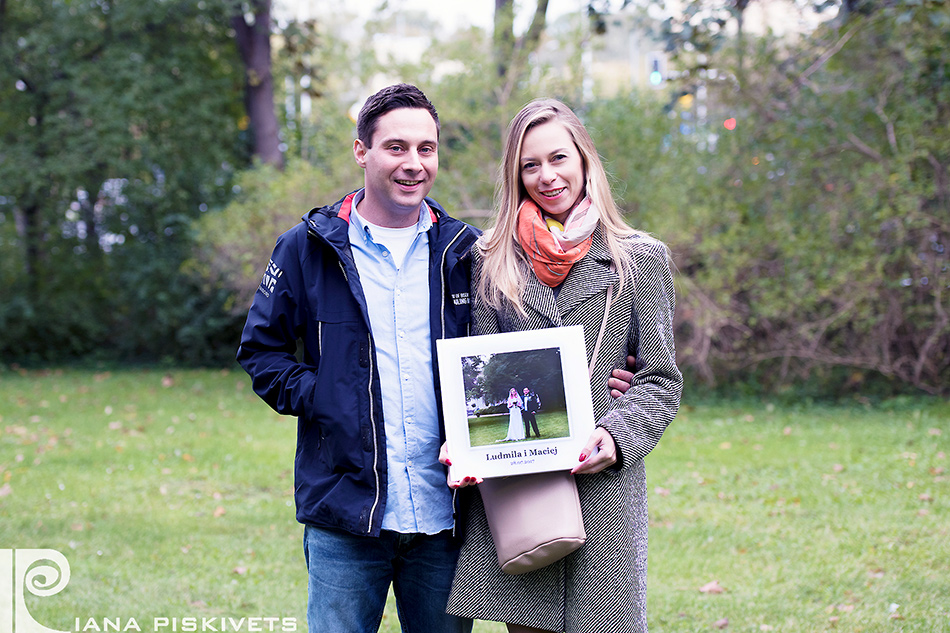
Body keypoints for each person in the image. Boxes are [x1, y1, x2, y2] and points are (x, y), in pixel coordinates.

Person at [236, 83, 479, 633]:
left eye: (426, 148)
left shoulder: (467, 252)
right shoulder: (307, 246)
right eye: (396, 147)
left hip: (447, 517)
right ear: (361, 151)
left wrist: (599, 376)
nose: (413, 163)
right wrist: (324, 396)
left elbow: (510, 351)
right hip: (346, 515)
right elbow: (261, 352)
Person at [443, 99, 683, 633]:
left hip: (605, 497)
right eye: (531, 165)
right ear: (516, 175)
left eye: (558, 158)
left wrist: (617, 434)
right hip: (521, 493)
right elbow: (482, 375)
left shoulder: (639, 259)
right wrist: (466, 435)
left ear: (584, 159)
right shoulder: (492, 261)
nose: (547, 176)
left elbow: (661, 382)